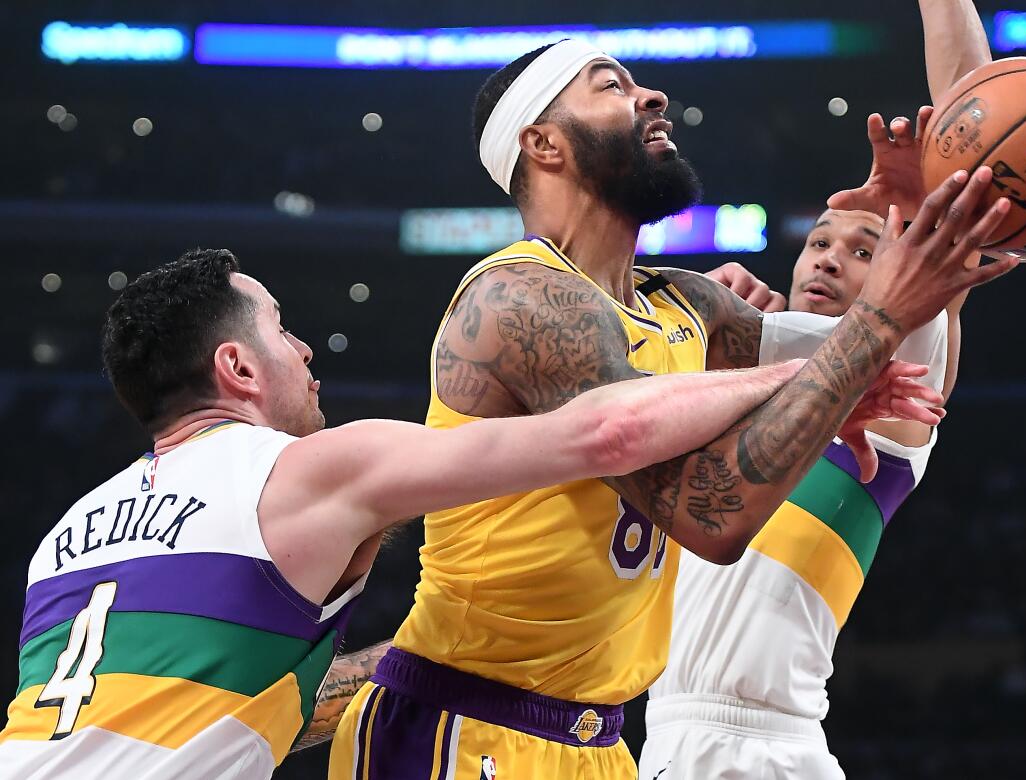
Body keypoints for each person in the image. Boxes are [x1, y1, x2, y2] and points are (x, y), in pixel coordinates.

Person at [329, 35, 1015, 779]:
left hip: (600, 741)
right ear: (544, 144)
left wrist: (921, 214)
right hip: (463, 724)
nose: (651, 96)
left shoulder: (686, 305)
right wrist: (860, 340)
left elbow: (895, 353)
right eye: (611, 86)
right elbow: (710, 515)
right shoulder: (520, 296)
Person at [0, 247, 883, 780]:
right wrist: (811, 372)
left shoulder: (65, 540)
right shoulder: (301, 473)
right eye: (281, 326)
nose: (306, 349)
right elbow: (605, 432)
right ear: (237, 366)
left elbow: (224, 702)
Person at [639, 2, 994, 777]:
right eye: (820, 242)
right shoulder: (738, 385)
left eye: (865, 249)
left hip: (767, 747)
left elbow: (986, 141)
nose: (828, 257)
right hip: (656, 741)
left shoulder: (896, 383)